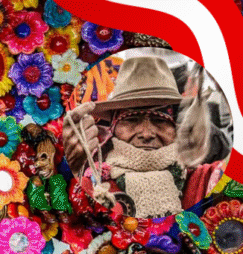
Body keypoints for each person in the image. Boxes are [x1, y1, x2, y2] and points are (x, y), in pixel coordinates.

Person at [63, 55, 228, 218]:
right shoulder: (90, 183)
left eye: (159, 120)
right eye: (132, 120)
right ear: (113, 128)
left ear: (176, 128)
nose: (147, 134)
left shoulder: (205, 181)